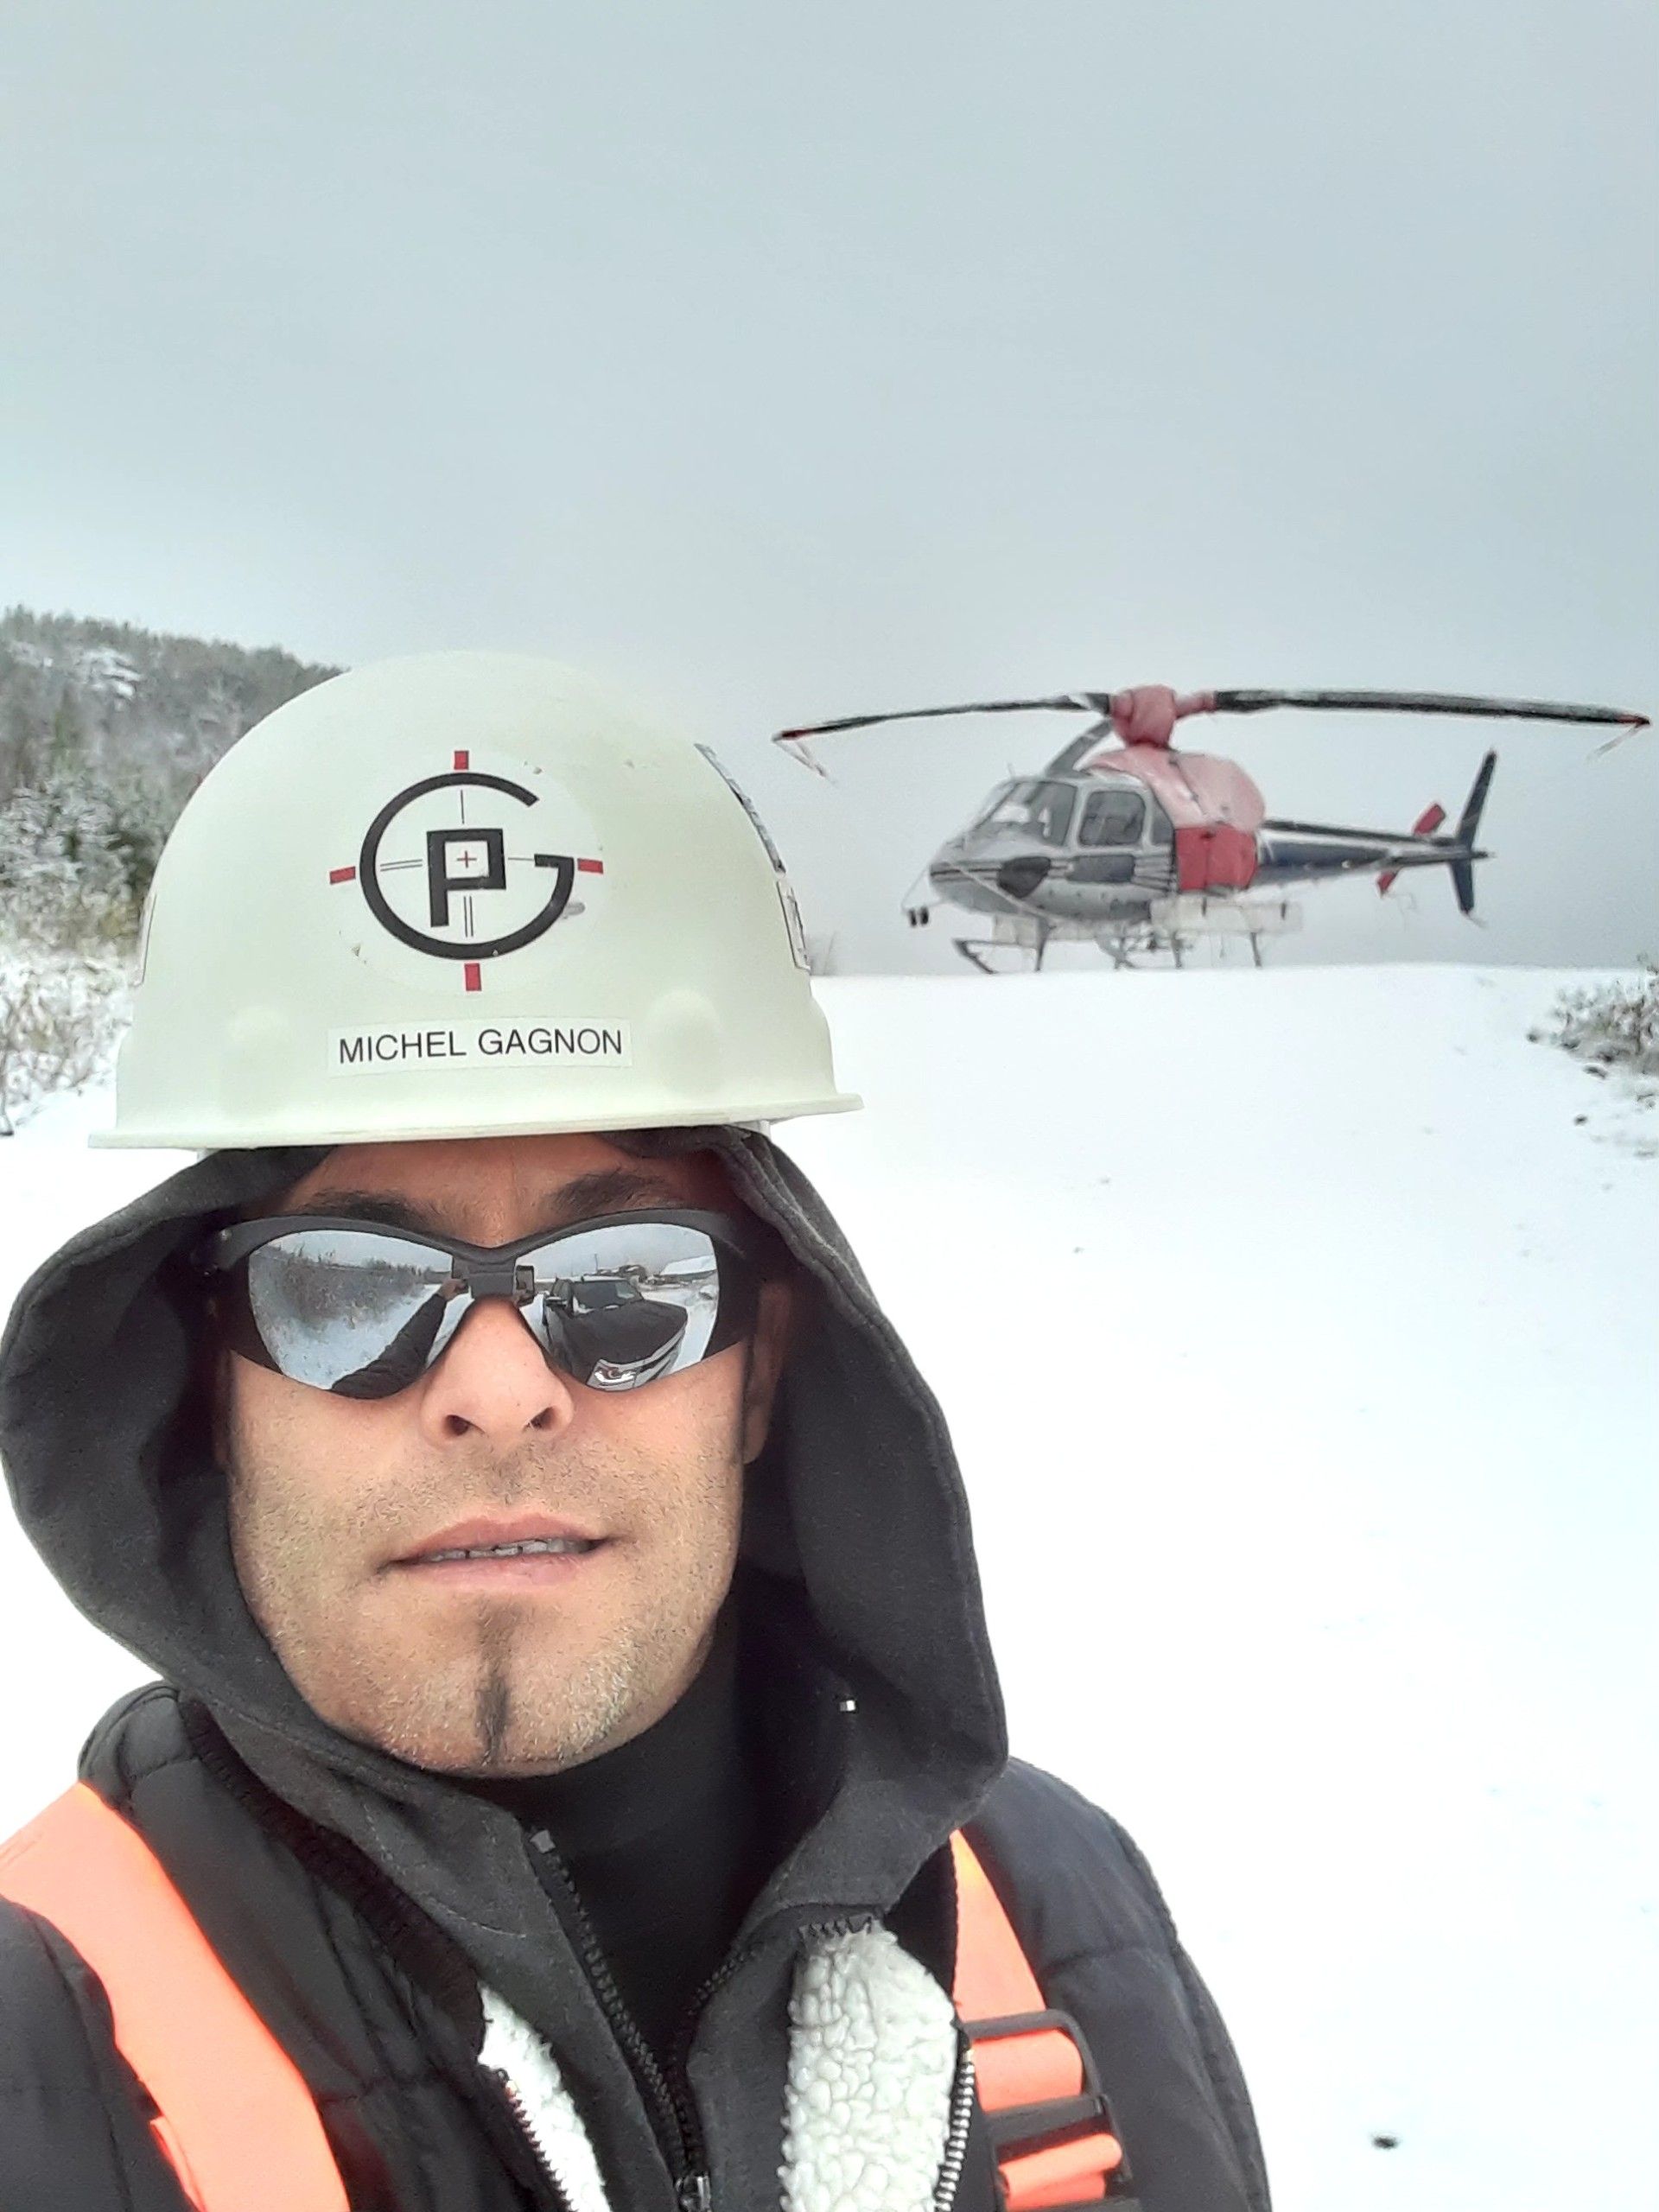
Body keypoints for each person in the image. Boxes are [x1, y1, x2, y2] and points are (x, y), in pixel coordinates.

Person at [0, 654, 1270, 2211]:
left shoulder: (1068, 1915)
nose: (499, 1388)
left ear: (762, 1369)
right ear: (216, 1384)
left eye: (627, 1287)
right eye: (345, 1289)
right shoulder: (39, 2037)